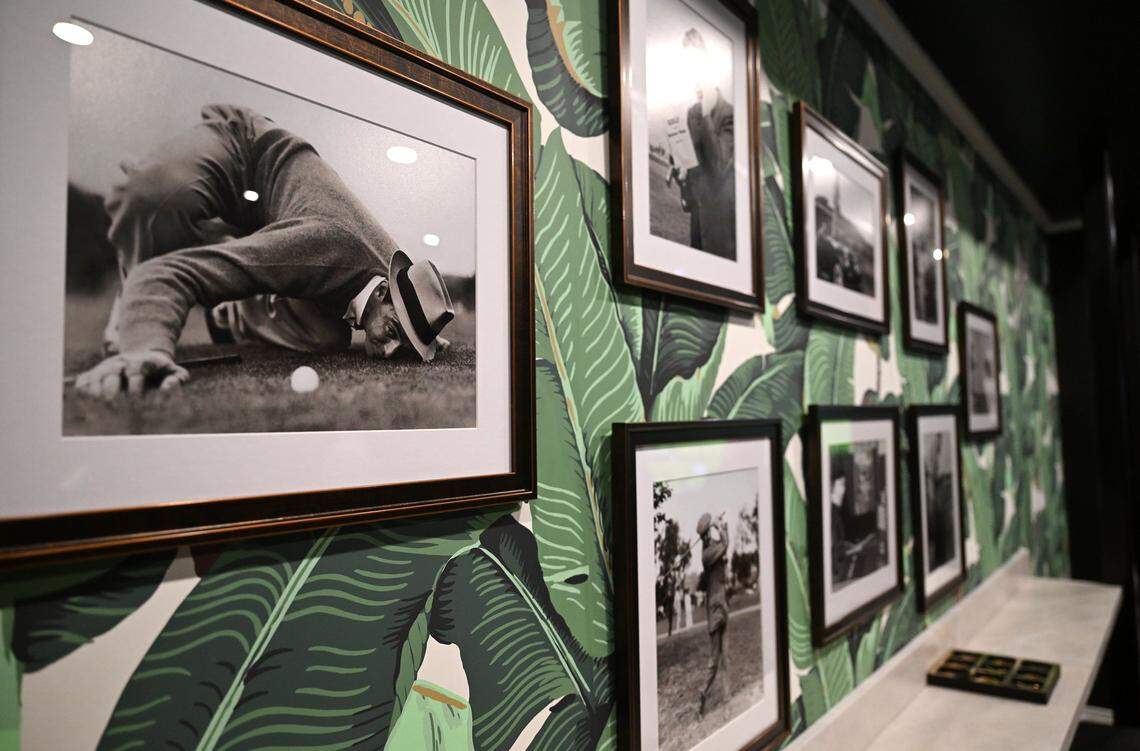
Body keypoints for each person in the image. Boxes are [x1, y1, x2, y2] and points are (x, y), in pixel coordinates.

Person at [75, 104, 455, 399]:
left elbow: (418, 307)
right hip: (241, 147)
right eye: (393, 332)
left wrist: (425, 335)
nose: (389, 352)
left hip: (279, 219)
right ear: (384, 291)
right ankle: (134, 302)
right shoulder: (321, 249)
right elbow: (171, 274)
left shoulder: (399, 279)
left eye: (402, 342)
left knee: (324, 338)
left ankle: (227, 316)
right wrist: (145, 348)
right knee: (150, 198)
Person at [669, 28, 735, 260]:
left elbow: (718, 166)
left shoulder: (729, 115)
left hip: (723, 236)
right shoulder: (691, 113)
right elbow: (693, 167)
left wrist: (706, 114)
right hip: (697, 226)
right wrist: (680, 170)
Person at [697, 511, 730, 717]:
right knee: (714, 661)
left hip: (721, 606)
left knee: (725, 656)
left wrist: (722, 526)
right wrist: (720, 526)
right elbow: (725, 544)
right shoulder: (707, 555)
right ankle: (703, 693)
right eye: (710, 530)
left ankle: (727, 699)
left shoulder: (711, 549)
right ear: (707, 534)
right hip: (716, 611)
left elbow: (726, 543)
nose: (712, 531)